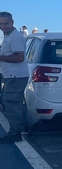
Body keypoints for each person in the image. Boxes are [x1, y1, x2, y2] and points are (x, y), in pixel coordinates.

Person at [0, 12, 29, 143]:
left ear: (12, 22)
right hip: (11, 75)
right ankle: (18, 129)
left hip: (15, 76)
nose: (3, 26)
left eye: (6, 23)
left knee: (12, 104)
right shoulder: (8, 35)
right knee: (12, 103)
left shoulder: (15, 37)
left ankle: (15, 133)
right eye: (0, 24)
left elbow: (19, 57)